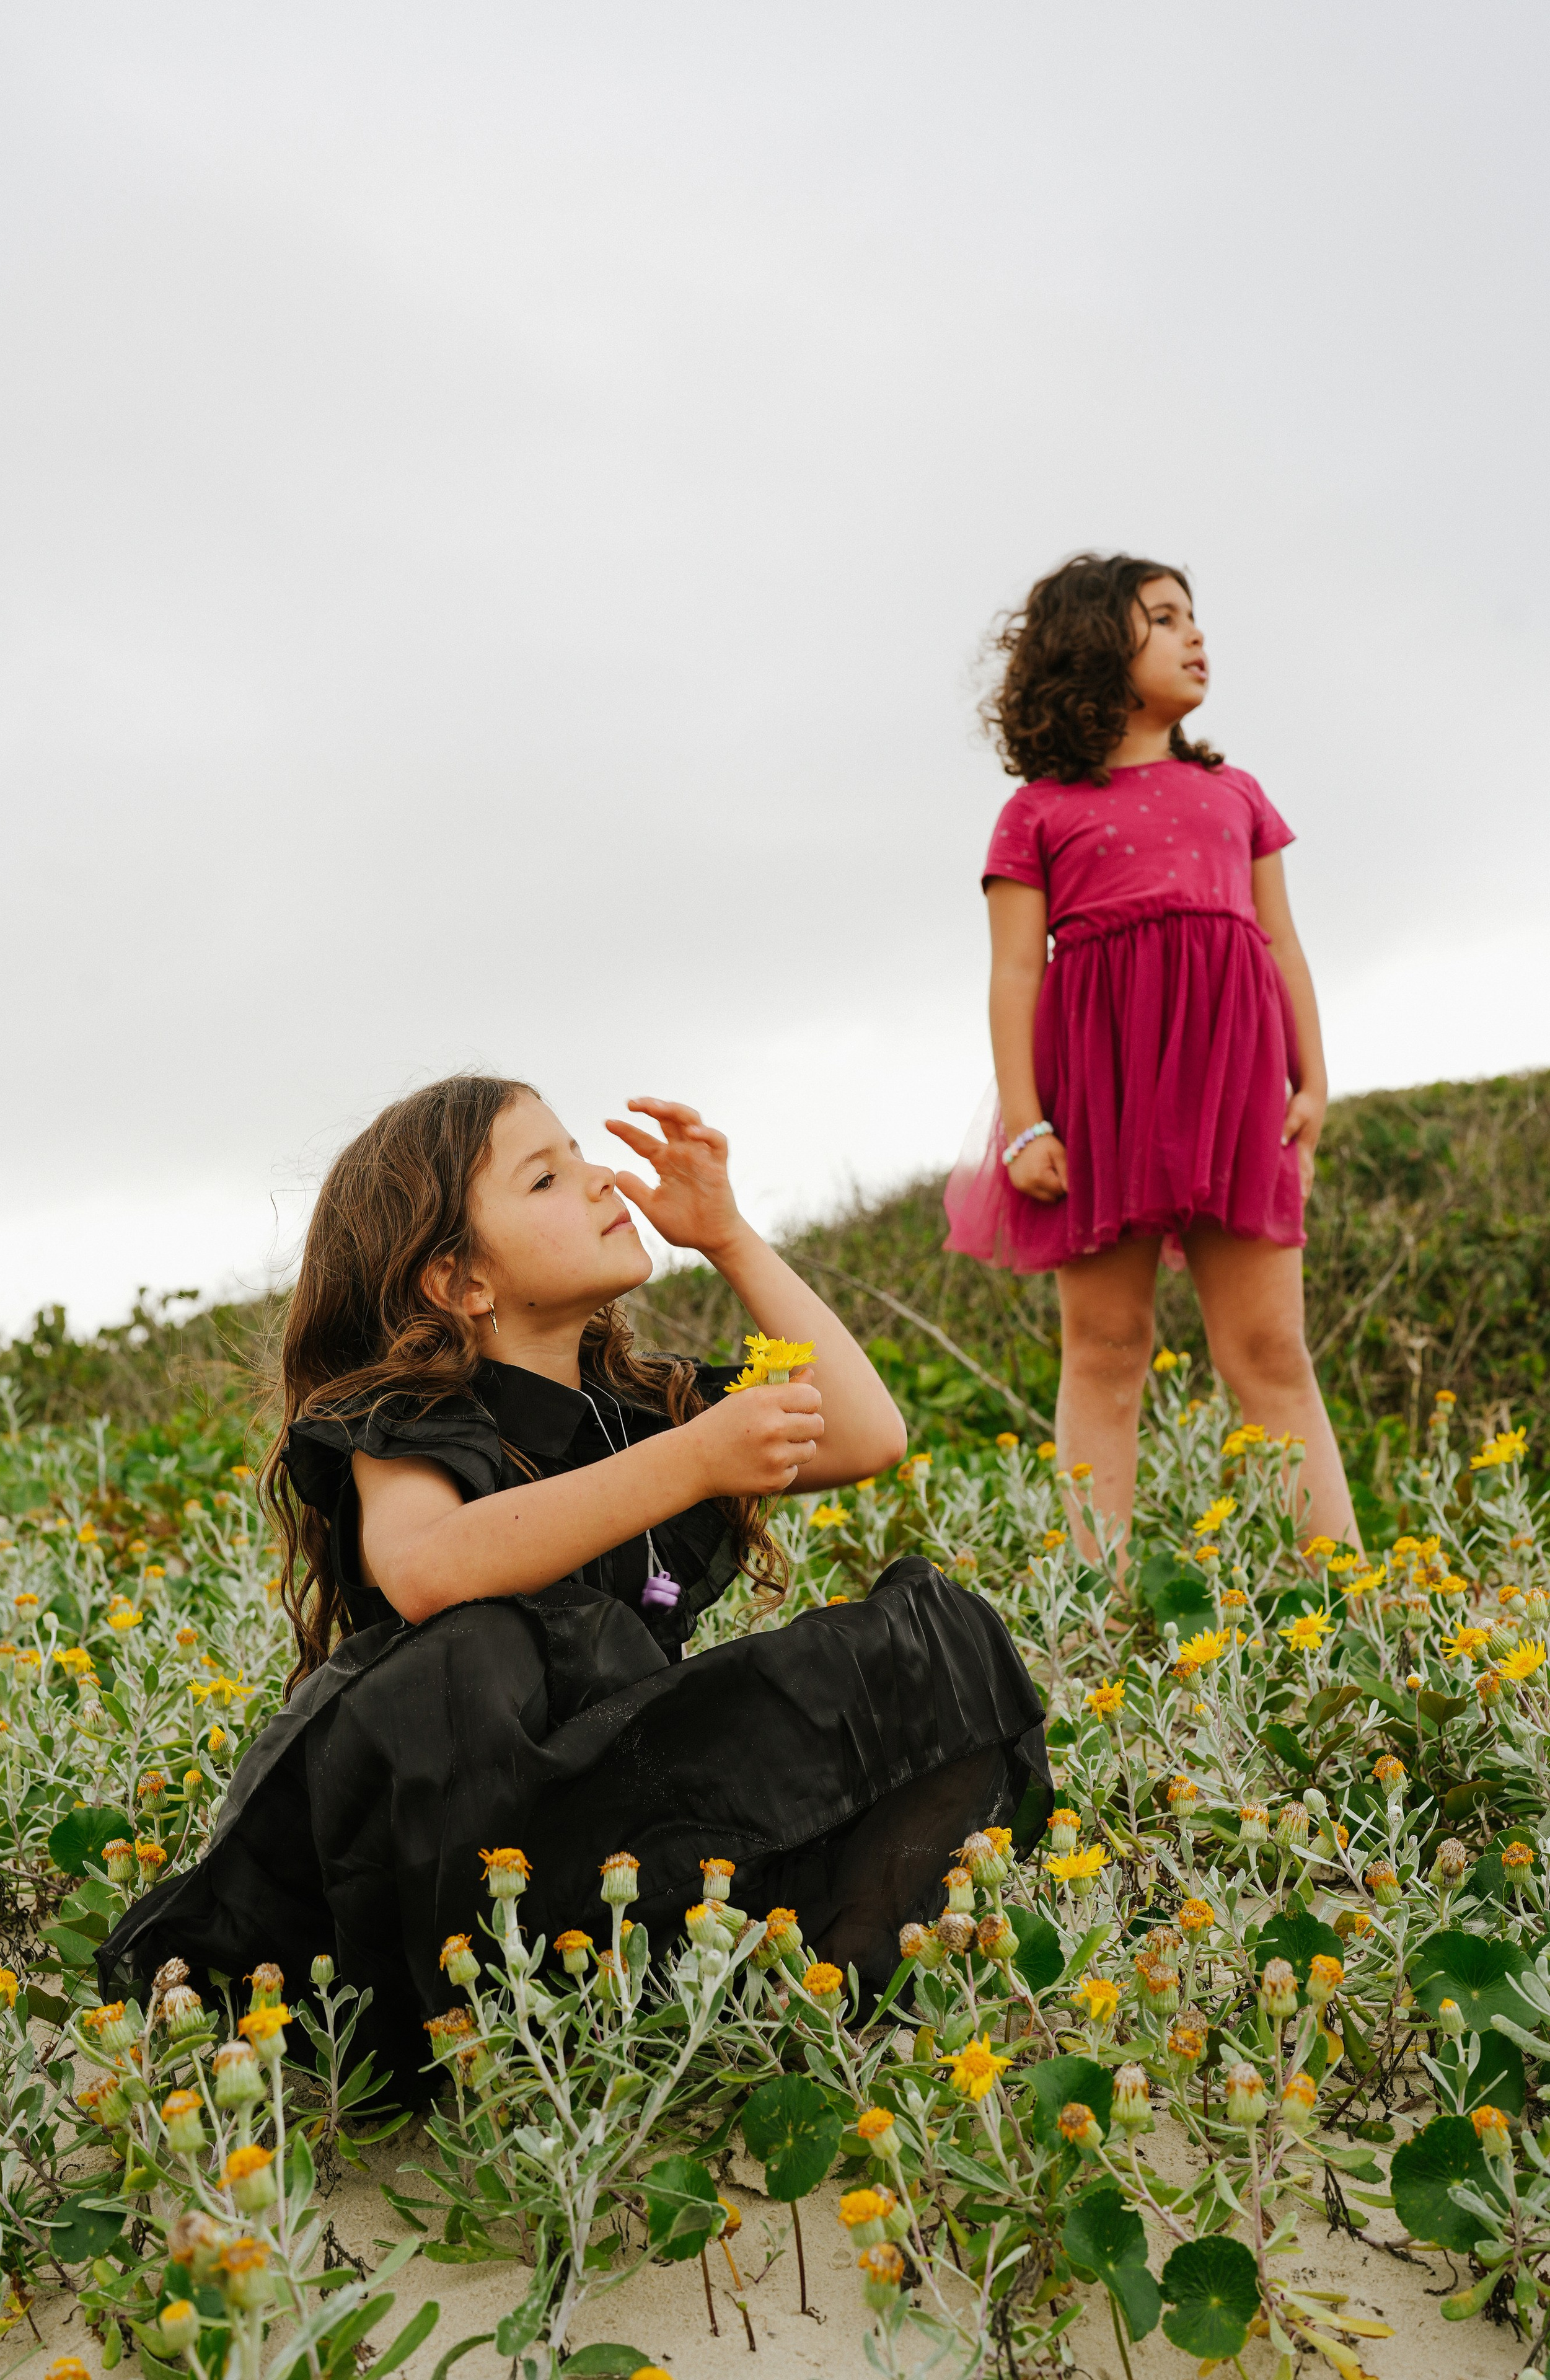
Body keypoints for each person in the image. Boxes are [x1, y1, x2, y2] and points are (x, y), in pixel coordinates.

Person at [103, 1076, 1050, 2078]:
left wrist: (728, 1236)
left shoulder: (639, 1405)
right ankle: (471, 2043)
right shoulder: (406, 1420)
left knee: (931, 1641)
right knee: (478, 1647)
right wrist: (691, 1462)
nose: (602, 1180)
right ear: (461, 1281)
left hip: (612, 1847)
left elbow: (866, 1433)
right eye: (548, 1177)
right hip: (441, 1877)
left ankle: (753, 1993)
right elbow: (426, 1569)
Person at [943, 552, 1356, 1551]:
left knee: (1269, 1350)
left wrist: (1315, 1076)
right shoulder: (1036, 811)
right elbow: (1014, 975)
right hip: (1101, 1100)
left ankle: (1348, 1593)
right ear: (1095, 647)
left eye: (1192, 617)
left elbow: (1282, 943)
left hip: (1236, 1090)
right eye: (1166, 619)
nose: (1195, 635)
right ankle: (1093, 1599)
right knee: (1106, 1349)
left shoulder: (1236, 794)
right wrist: (1027, 1120)